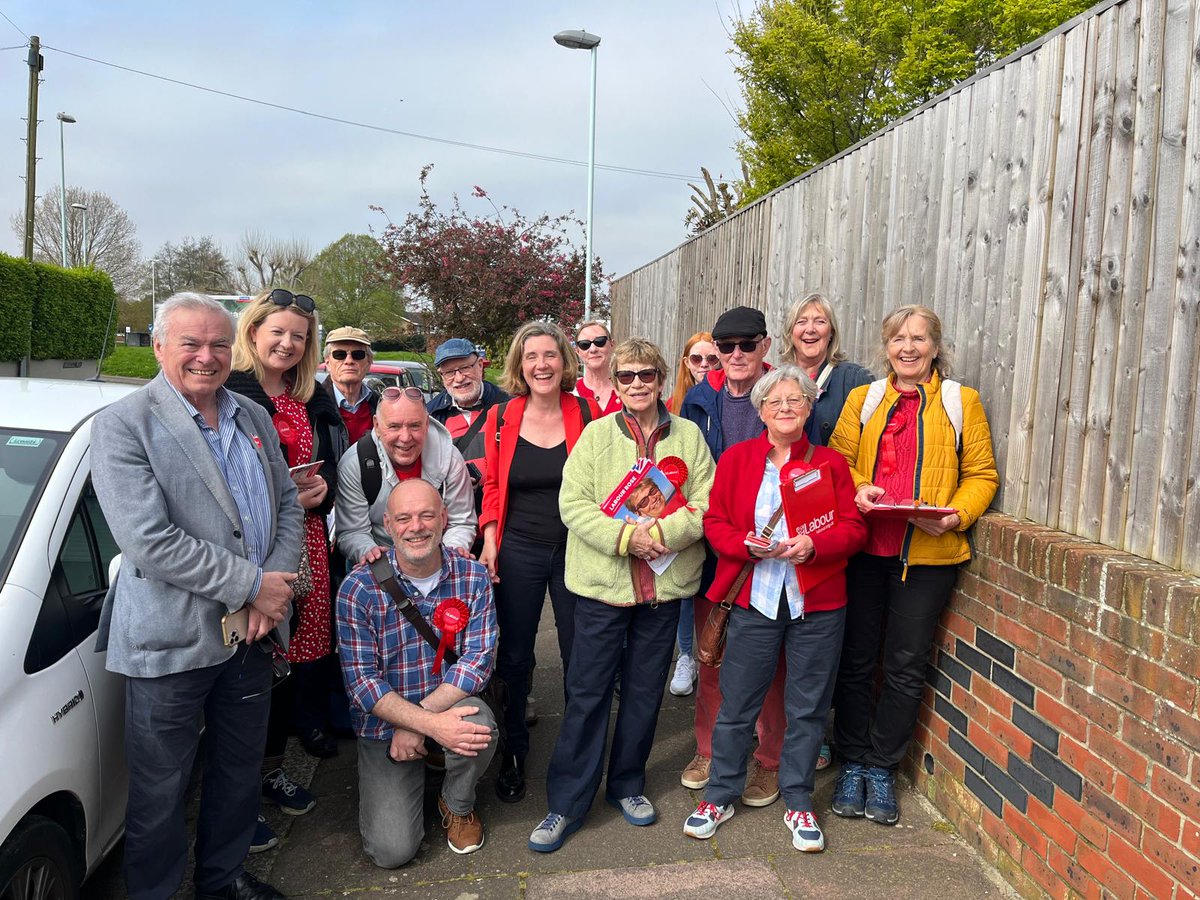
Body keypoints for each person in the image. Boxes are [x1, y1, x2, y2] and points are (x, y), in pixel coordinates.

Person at [90, 292, 303, 900]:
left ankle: (223, 880)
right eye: (191, 343)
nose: (207, 357)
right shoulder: (123, 425)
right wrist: (251, 585)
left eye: (217, 344)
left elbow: (285, 503)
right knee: (160, 791)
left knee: (237, 774)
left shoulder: (251, 415)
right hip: (170, 642)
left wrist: (270, 595)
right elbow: (149, 541)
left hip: (252, 635)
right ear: (160, 348)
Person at [529, 338, 714, 853]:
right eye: (628, 375)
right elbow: (574, 505)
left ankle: (627, 785)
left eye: (646, 375)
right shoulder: (594, 436)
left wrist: (665, 533)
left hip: (664, 589)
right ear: (618, 379)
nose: (637, 384)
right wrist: (625, 537)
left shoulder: (690, 437)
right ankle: (566, 802)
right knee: (587, 695)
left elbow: (706, 500)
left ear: (660, 379)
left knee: (642, 694)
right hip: (601, 589)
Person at [682, 366, 866, 853]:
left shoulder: (830, 463)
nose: (785, 408)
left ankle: (799, 801)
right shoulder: (740, 459)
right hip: (755, 599)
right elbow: (715, 520)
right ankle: (719, 795)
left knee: (806, 708)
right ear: (760, 410)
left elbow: (853, 528)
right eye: (775, 401)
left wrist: (815, 545)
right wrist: (742, 544)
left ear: (809, 408)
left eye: (795, 400)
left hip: (818, 602)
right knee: (737, 704)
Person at [828, 304, 999, 826]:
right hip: (865, 550)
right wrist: (860, 487)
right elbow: (839, 459)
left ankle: (882, 767)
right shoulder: (865, 398)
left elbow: (982, 475)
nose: (908, 347)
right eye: (899, 338)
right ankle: (851, 762)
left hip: (926, 558)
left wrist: (956, 516)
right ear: (886, 347)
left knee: (904, 667)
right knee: (856, 663)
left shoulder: (959, 401)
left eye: (919, 339)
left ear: (935, 346)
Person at [225, 288, 346, 851]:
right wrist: (286, 501)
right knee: (255, 669)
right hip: (255, 554)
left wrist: (318, 494)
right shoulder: (227, 396)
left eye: (298, 336)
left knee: (293, 662)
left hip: (308, 543)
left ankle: (272, 770)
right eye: (277, 332)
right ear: (253, 333)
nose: (288, 343)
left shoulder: (310, 399)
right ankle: (239, 793)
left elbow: (318, 476)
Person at [336, 479, 497, 865]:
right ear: (388, 525)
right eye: (404, 518)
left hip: (443, 706)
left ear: (443, 518)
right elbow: (362, 684)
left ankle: (456, 802)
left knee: (482, 724)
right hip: (385, 726)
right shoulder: (357, 588)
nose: (417, 526)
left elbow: (478, 661)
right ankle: (428, 757)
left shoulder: (472, 576)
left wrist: (421, 722)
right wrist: (423, 723)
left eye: (427, 515)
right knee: (392, 852)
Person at [478, 321, 600, 803]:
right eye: (532, 357)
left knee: (579, 656)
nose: (541, 365)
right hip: (519, 548)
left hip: (577, 550)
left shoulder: (587, 413)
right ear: (519, 364)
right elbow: (491, 485)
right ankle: (513, 750)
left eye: (550, 355)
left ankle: (577, 755)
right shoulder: (501, 418)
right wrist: (490, 540)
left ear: (564, 361)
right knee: (513, 657)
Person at [678, 305, 786, 807]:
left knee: (770, 662)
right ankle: (710, 749)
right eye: (727, 346)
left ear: (765, 345)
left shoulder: (783, 394)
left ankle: (769, 760)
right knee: (712, 653)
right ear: (715, 350)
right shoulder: (698, 400)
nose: (737, 354)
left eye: (748, 344)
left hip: (771, 549)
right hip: (713, 546)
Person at [779, 292, 873, 768]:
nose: (811, 329)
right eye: (802, 321)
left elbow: (872, 441)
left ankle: (818, 731)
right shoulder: (777, 378)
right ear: (790, 330)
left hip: (830, 521)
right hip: (779, 520)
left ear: (831, 331)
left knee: (824, 634)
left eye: (820, 321)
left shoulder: (854, 380)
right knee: (784, 631)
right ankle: (788, 733)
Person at [335, 386, 477, 565]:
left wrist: (446, 557)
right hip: (381, 555)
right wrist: (371, 554)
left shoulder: (449, 458)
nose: (405, 437)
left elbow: (461, 521)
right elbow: (353, 531)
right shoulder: (355, 463)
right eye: (394, 426)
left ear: (427, 423)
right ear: (377, 426)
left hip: (438, 553)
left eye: (414, 425)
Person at [665, 330, 720, 697]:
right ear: (686, 362)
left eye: (711, 359)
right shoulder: (674, 404)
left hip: (717, 503)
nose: (704, 366)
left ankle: (713, 654)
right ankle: (687, 653)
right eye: (696, 359)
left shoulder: (725, 397)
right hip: (684, 506)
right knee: (688, 587)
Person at [426, 336, 510, 521]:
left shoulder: (509, 406)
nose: (459, 378)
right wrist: (450, 484)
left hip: (504, 517)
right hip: (454, 521)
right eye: (449, 372)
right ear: (441, 376)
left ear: (480, 365)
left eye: (465, 368)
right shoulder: (431, 416)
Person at [321, 325, 379, 443]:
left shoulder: (380, 405)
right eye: (339, 355)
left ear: (369, 362)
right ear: (327, 362)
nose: (349, 361)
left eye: (358, 355)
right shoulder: (312, 405)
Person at [573, 320, 622, 415]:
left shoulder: (628, 389)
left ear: (612, 344)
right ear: (578, 351)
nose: (593, 349)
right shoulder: (569, 392)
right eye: (584, 344)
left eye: (600, 341)